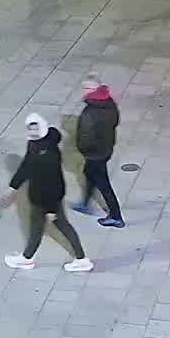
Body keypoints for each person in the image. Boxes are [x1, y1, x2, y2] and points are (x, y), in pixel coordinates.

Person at [0, 114, 92, 272]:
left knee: (60, 225)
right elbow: (27, 165)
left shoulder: (46, 155)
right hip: (40, 199)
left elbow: (52, 183)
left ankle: (81, 259)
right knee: (37, 226)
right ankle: (28, 257)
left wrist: (51, 210)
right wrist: (13, 188)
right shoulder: (40, 143)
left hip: (47, 200)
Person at [70, 75, 124, 228]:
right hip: (106, 148)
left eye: (86, 88)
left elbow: (84, 137)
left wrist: (82, 150)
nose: (84, 91)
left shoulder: (90, 112)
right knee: (88, 173)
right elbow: (116, 121)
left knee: (103, 184)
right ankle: (86, 202)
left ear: (94, 89)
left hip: (94, 153)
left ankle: (116, 216)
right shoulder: (109, 102)